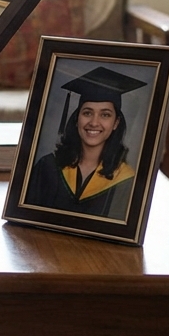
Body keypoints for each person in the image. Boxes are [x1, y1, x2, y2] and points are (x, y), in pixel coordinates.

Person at [23, 66, 145, 220]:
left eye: (105, 115)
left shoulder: (126, 181)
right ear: (77, 119)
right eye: (87, 113)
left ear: (116, 123)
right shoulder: (47, 167)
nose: (94, 122)